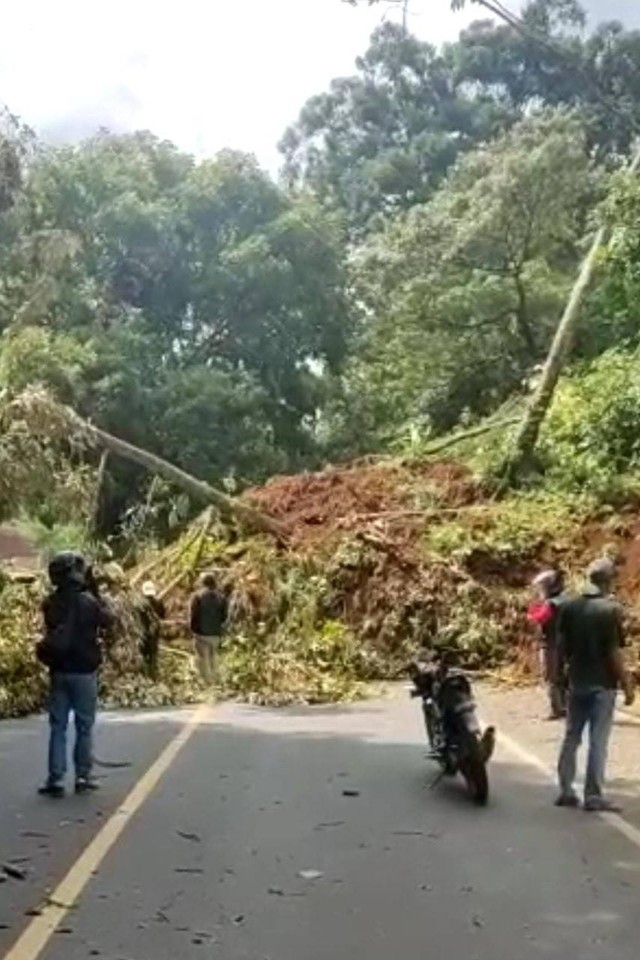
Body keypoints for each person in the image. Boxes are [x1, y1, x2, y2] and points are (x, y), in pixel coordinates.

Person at [555, 558, 635, 812]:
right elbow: (614, 652)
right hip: (602, 686)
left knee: (572, 737)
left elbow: (560, 647)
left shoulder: (569, 607)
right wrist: (627, 683)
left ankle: (566, 790)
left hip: (577, 682)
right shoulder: (610, 610)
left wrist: (557, 678)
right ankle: (593, 795)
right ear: (608, 580)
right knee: (598, 741)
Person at [37, 552, 113, 797]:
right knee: (84, 727)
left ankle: (55, 780)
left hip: (59, 671)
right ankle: (82, 777)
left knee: (57, 727)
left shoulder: (50, 603)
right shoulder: (89, 602)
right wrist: (94, 590)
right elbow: (108, 620)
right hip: (84, 672)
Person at [527, 568, 568, 720]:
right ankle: (567, 706)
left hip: (552, 644)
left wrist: (534, 605)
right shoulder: (568, 600)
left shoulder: (551, 604)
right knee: (565, 677)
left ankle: (557, 709)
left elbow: (536, 619)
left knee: (551, 678)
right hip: (569, 643)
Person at [189, 572, 228, 684]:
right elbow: (224, 616)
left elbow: (193, 615)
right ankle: (217, 681)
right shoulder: (221, 598)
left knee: (203, 660)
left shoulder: (197, 596)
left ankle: (208, 684)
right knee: (213, 657)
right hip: (216, 633)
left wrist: (193, 629)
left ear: (202, 583)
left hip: (201, 633)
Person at [139, 581, 165, 680]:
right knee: (153, 653)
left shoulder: (139, 604)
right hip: (155, 632)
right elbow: (162, 616)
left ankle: (145, 675)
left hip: (142, 632)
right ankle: (153, 676)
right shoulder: (158, 602)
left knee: (144, 653)